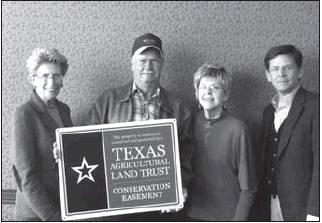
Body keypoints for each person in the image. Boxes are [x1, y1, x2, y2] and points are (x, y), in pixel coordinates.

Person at [57, 33, 195, 221]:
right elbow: (85, 142)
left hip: (160, 203)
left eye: (154, 61)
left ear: (162, 64)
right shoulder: (108, 100)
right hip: (117, 204)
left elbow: (187, 154)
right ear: (132, 63)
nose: (148, 66)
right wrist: (66, 148)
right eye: (142, 60)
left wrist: (181, 185)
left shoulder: (179, 107)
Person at [185, 64, 257, 221]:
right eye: (203, 87)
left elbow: (249, 187)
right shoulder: (189, 122)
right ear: (197, 93)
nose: (208, 93)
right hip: (191, 214)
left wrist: (239, 220)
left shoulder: (238, 128)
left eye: (215, 88)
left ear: (225, 94)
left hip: (227, 216)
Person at [256, 44, 319, 221]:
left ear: (300, 72)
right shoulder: (268, 111)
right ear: (268, 75)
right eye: (275, 69)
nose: (281, 74)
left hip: (304, 208)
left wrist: (315, 212)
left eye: (287, 68)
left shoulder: (316, 105)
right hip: (271, 204)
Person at [12, 48, 73, 221]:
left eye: (57, 75)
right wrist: (53, 217)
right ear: (33, 79)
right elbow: (26, 176)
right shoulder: (23, 114)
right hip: (36, 214)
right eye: (45, 75)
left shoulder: (64, 110)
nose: (52, 82)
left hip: (62, 206)